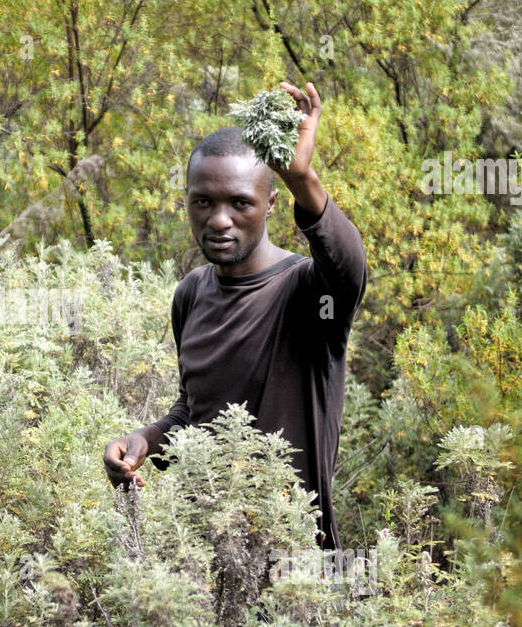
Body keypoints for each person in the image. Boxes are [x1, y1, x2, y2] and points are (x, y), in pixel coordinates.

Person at [103, 81, 368, 551]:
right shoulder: (191, 295)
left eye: (240, 202)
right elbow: (194, 411)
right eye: (203, 201)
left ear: (269, 203)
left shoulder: (308, 292)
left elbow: (347, 266)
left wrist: (302, 179)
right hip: (206, 556)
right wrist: (144, 440)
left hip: (296, 561)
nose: (219, 219)